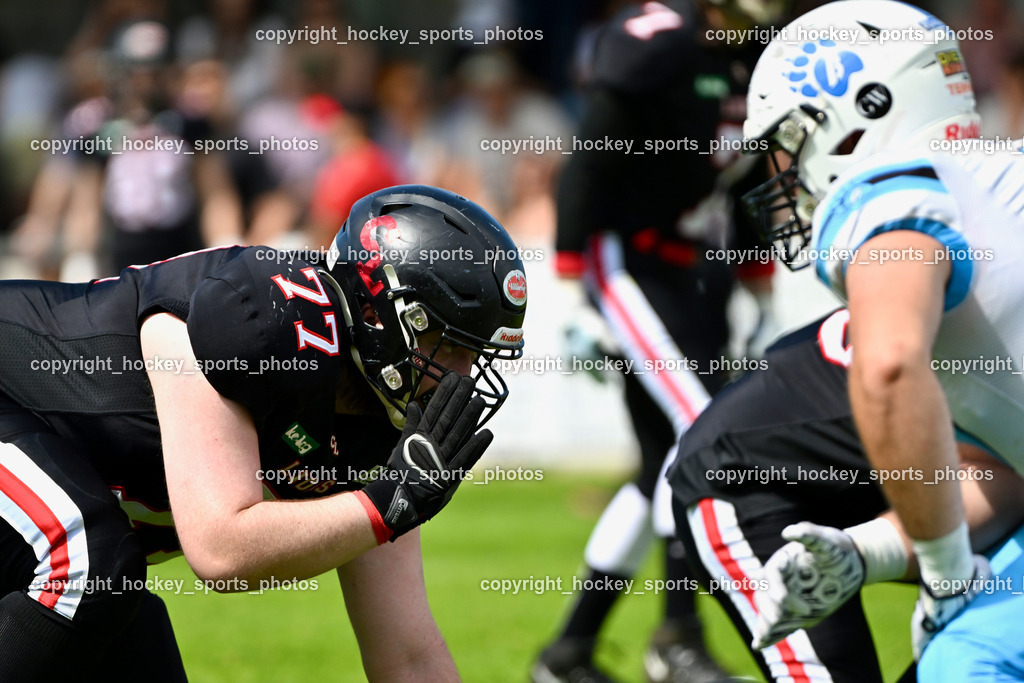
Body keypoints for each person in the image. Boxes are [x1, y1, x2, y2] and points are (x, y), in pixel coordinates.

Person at [0, 184, 528, 680]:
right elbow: (221, 549)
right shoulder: (262, 316)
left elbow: (407, 655)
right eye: (446, 342)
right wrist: (390, 501)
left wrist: (392, 500)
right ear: (375, 311)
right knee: (87, 566)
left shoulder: (383, 420)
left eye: (475, 352)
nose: (462, 373)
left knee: (127, 629)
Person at [737, 0, 1024, 672]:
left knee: (964, 665)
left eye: (794, 140)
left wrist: (951, 578)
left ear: (865, 109)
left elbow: (890, 364)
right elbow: (1008, 472)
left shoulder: (888, 195)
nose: (788, 173)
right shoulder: (993, 180)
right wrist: (874, 550)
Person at [535, 1, 781, 681]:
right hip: (632, 261)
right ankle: (677, 636)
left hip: (700, 272)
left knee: (659, 468)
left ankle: (568, 650)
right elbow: (589, 160)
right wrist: (567, 286)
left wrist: (760, 291)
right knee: (704, 435)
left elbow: (750, 180)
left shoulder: (758, 53)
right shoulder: (660, 44)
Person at [669, 309, 1024, 682]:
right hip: (748, 480)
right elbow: (996, 477)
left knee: (977, 648)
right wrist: (900, 560)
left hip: (897, 480)